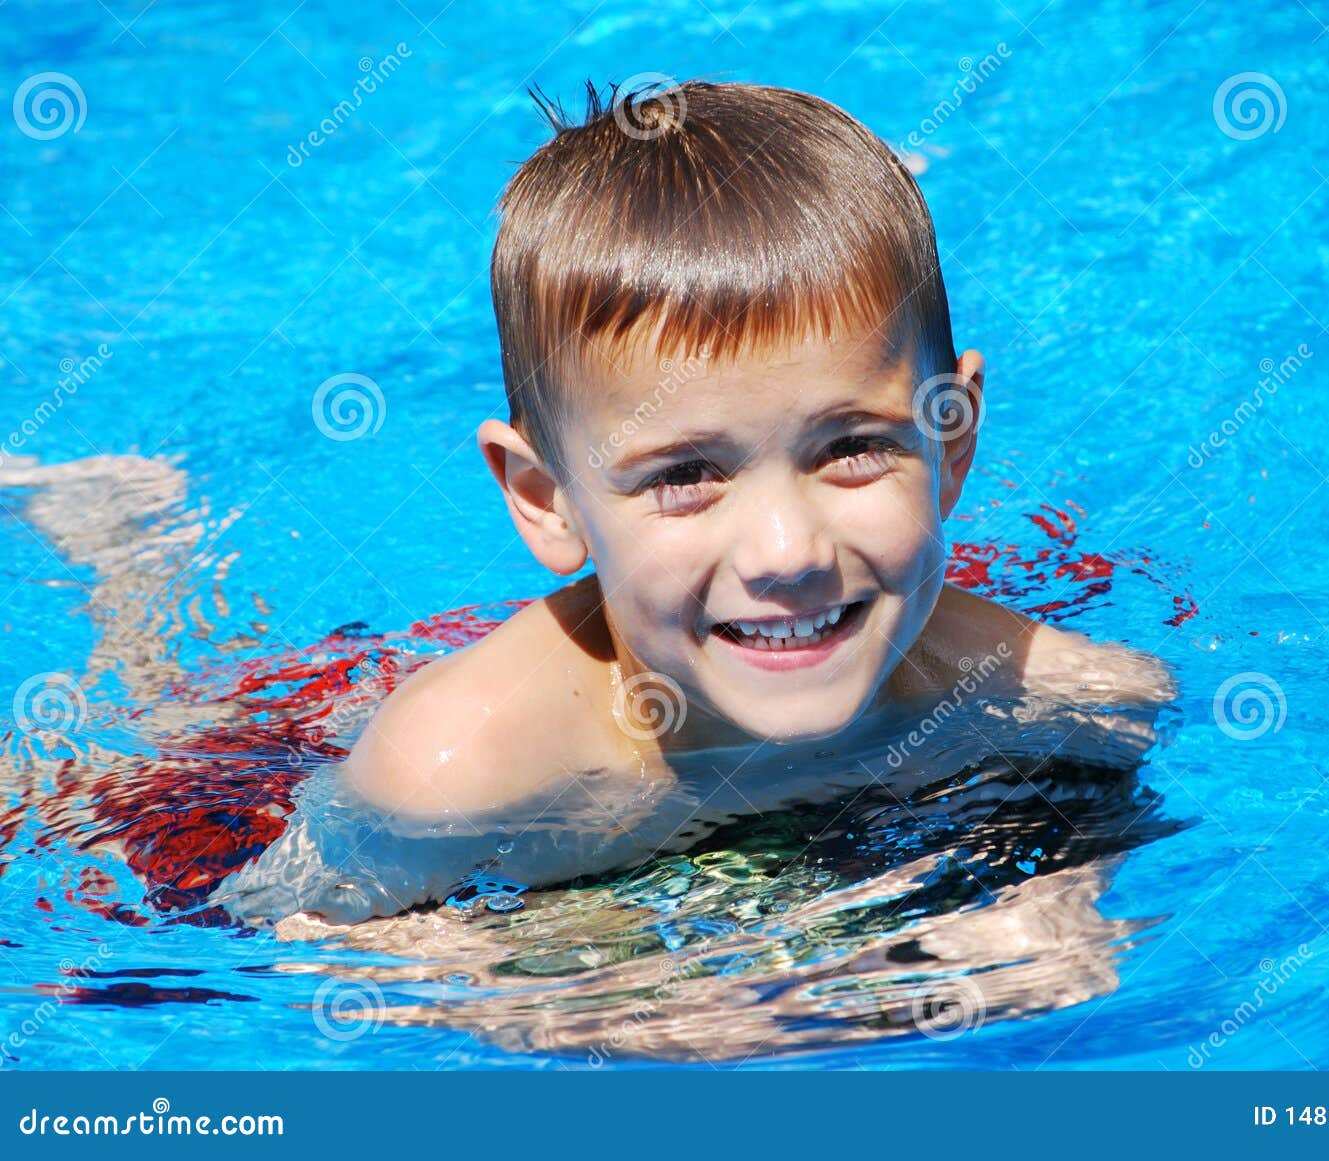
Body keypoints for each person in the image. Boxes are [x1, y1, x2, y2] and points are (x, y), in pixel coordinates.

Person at [216, 78, 1179, 927]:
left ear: (949, 443)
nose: (785, 550)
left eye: (850, 448)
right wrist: (592, 1001)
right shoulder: (453, 774)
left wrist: (1051, 893)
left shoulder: (1051, 699)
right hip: (270, 741)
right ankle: (128, 562)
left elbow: (1093, 812)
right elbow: (305, 943)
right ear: (547, 498)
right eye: (684, 475)